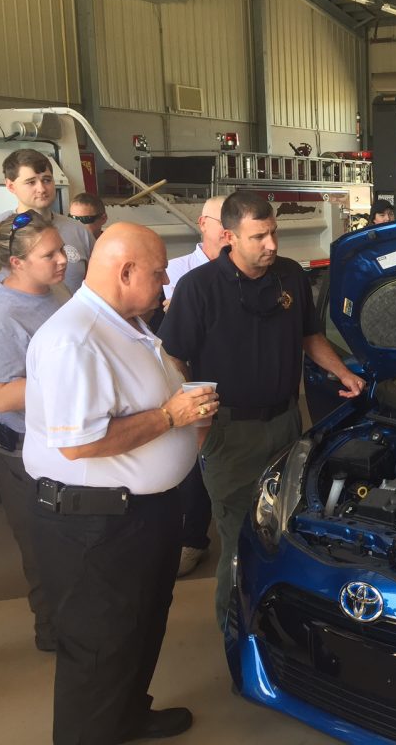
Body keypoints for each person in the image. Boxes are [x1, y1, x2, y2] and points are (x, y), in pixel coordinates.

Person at [24, 223, 218, 744]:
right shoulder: (76, 339)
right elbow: (80, 443)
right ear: (125, 271)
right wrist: (172, 418)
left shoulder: (127, 323)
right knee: (99, 646)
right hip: (94, 523)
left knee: (140, 625)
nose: (165, 283)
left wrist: (184, 416)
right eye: (159, 273)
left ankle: (127, 715)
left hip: (138, 513)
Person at [158, 190, 366, 629]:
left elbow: (309, 335)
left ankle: (278, 623)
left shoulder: (289, 276)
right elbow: (172, 355)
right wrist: (196, 417)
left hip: (287, 423)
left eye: (273, 232)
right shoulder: (198, 287)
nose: (271, 244)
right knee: (240, 538)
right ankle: (236, 631)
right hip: (229, 432)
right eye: (259, 236)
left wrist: (343, 373)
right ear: (229, 237)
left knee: (284, 528)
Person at [0, 212, 68, 652]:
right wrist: (69, 374)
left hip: (60, 438)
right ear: (16, 263)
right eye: (49, 255)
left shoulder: (53, 290)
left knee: (68, 541)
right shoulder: (3, 315)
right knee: (42, 548)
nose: (62, 260)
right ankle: (53, 635)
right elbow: (0, 397)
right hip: (23, 449)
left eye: (62, 249)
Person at [162, 196, 229, 576]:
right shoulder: (175, 271)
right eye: (223, 221)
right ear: (203, 224)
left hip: (235, 383)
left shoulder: (245, 272)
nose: (229, 230)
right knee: (195, 466)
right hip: (194, 383)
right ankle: (192, 539)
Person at [0, 149, 95, 294]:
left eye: (47, 180)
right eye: (31, 182)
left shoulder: (79, 231)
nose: (42, 189)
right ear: (11, 186)